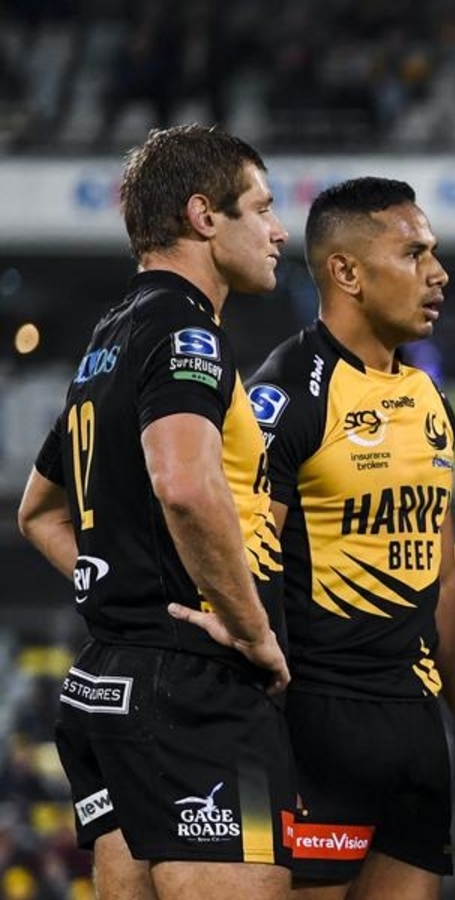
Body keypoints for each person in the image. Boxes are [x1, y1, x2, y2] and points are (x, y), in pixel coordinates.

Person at [223, 176, 455, 899]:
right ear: (347, 272)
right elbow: (243, 572)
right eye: (414, 254)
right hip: (314, 729)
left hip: (416, 734)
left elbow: (443, 584)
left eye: (434, 253)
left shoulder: (429, 400)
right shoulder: (285, 394)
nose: (437, 273)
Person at [16, 124, 293, 900]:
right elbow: (184, 486)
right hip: (193, 686)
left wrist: (122, 594)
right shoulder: (184, 331)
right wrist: (252, 632)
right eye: (261, 209)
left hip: (108, 679)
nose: (278, 231)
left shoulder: (109, 340)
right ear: (204, 217)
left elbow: (38, 513)